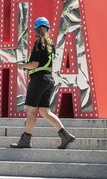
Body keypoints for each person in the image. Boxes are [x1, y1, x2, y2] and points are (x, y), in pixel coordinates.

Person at [10, 17, 75, 149]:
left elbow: (34, 64)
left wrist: (22, 65)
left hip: (39, 79)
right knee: (45, 111)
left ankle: (26, 140)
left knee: (31, 111)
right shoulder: (51, 45)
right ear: (47, 29)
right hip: (49, 79)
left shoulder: (39, 43)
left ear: (36, 30)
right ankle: (65, 135)